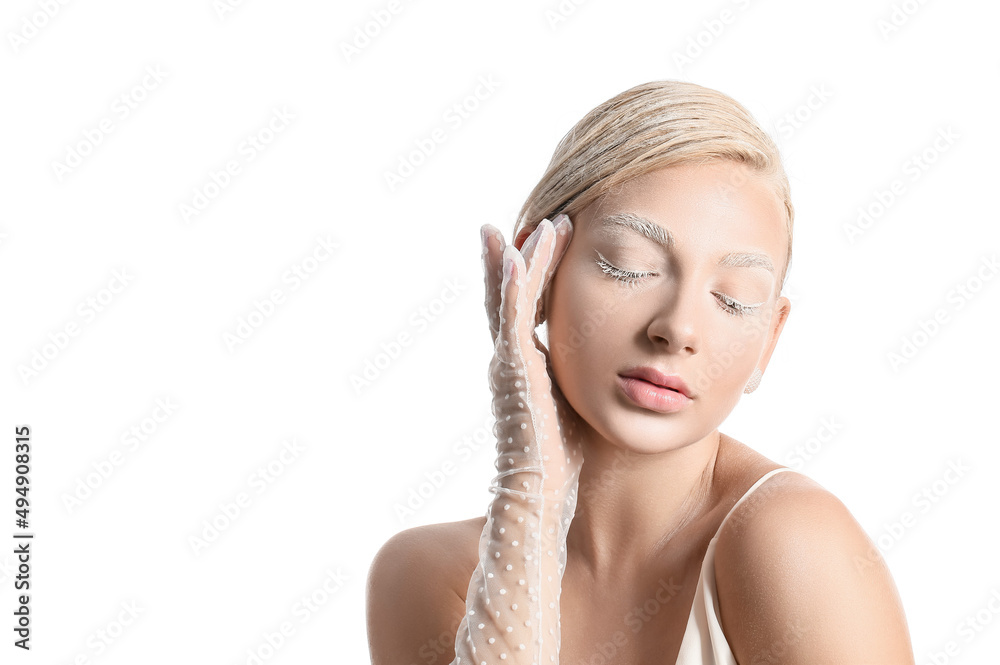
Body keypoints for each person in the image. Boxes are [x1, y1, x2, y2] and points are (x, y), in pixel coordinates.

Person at [366, 80, 915, 665]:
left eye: (733, 299)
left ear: (769, 342)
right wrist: (531, 494)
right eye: (630, 266)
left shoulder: (792, 543)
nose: (678, 328)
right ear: (537, 271)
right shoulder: (425, 575)